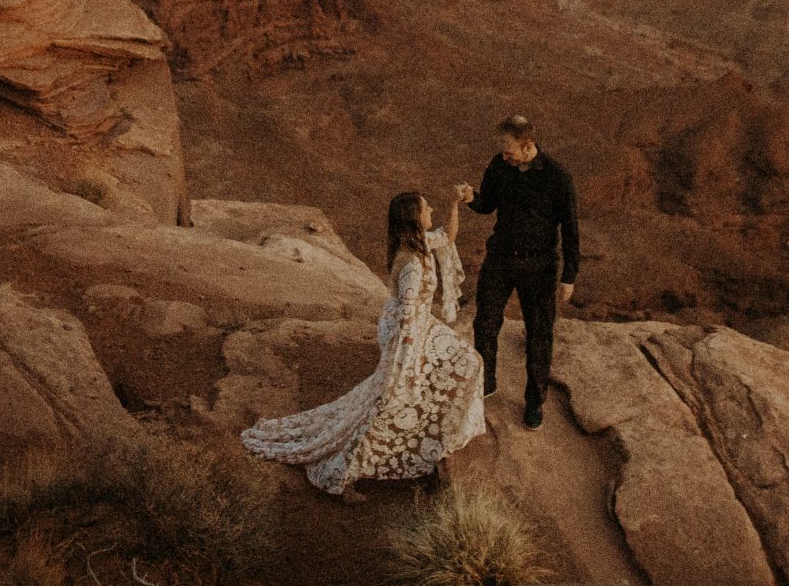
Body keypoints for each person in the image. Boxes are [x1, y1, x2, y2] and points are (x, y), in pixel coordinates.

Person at [239, 188, 487, 497]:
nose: (431, 211)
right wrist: (404, 362)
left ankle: (439, 432)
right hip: (408, 334)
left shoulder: (420, 243)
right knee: (388, 401)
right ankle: (344, 473)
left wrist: (454, 205)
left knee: (468, 361)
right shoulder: (411, 263)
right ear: (414, 218)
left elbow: (447, 236)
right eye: (427, 209)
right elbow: (407, 316)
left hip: (421, 326)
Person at [461, 113, 580, 430]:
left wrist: (569, 276)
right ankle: (485, 383)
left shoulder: (557, 177)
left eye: (508, 149)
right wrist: (472, 197)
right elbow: (488, 204)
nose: (503, 154)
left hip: (539, 267)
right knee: (485, 322)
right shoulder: (499, 166)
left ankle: (534, 402)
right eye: (502, 149)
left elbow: (570, 228)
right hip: (500, 258)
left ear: (527, 146)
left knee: (539, 335)